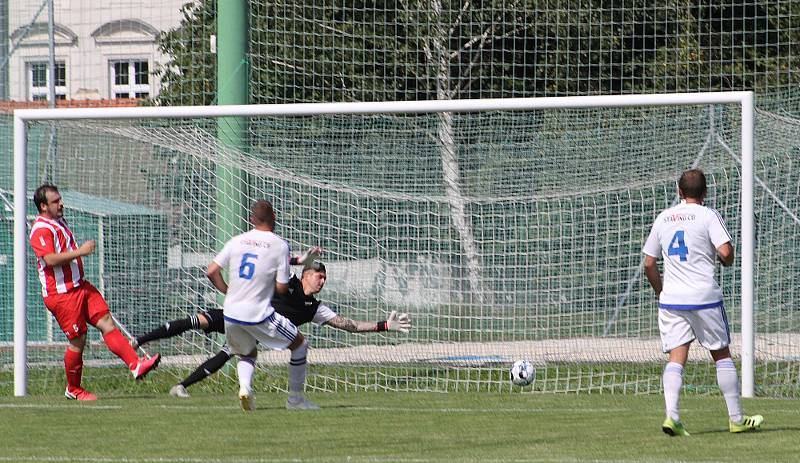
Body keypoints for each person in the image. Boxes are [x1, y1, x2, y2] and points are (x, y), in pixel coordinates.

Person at [135, 261, 411, 399]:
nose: (322, 281)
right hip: (242, 312)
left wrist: (384, 326)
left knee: (227, 352)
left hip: (253, 331)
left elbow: (349, 325)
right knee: (197, 321)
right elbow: (275, 263)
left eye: (325, 277)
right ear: (305, 275)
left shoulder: (314, 308)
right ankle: (140, 341)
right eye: (318, 275)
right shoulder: (287, 283)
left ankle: (180, 387)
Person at [642, 169, 763, 436]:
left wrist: (661, 292)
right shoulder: (709, 215)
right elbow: (726, 252)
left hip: (673, 300)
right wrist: (725, 259)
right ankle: (736, 419)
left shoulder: (663, 218)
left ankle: (672, 416)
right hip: (704, 297)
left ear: (679, 191)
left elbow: (649, 263)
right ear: (705, 192)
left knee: (676, 357)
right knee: (721, 355)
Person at [28, 184, 161, 401]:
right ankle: (73, 389)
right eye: (55, 201)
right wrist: (80, 251)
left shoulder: (57, 221)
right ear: (43, 206)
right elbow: (49, 259)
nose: (61, 204)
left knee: (106, 322)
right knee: (78, 340)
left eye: (60, 199)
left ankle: (136, 365)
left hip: (81, 286)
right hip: (62, 295)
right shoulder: (41, 228)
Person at [206, 199, 320, 411]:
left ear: (251, 219)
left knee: (247, 352)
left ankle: (245, 389)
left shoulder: (237, 240)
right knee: (299, 344)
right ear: (274, 217)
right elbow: (282, 288)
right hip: (258, 313)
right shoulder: (279, 244)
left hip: (231, 311)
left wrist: (227, 290)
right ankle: (295, 400)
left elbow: (211, 271)